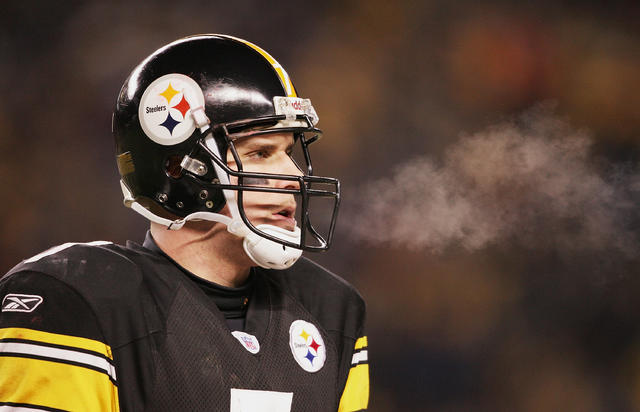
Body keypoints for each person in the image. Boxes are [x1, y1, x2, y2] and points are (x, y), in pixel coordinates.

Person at [0, 34, 368, 412]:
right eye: (260, 152)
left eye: (289, 152)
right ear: (179, 169)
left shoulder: (331, 310)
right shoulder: (78, 300)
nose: (291, 176)